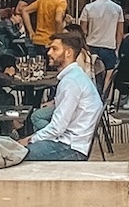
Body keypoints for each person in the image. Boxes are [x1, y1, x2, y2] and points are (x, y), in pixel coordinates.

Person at [24, 31, 103, 161]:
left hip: (72, 147)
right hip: (73, 141)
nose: (49, 53)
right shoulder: (75, 76)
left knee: (17, 155)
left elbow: (57, 128)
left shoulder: (71, 82)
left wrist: (31, 139)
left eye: (54, 49)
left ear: (68, 53)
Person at [78, 0, 123, 73]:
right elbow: (119, 32)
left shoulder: (88, 8)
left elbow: (83, 30)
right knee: (109, 77)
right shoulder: (117, 9)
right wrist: (117, 49)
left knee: (91, 76)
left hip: (91, 47)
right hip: (109, 47)